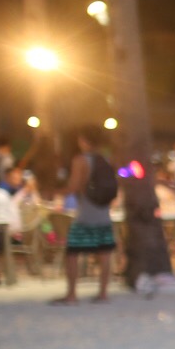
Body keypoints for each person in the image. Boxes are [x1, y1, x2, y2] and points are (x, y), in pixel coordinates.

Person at [54, 126, 117, 304]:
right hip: (103, 213)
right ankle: (103, 293)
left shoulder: (81, 160)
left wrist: (55, 192)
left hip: (86, 212)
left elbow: (74, 187)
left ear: (84, 140)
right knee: (105, 253)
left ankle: (72, 294)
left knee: (72, 253)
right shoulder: (107, 159)